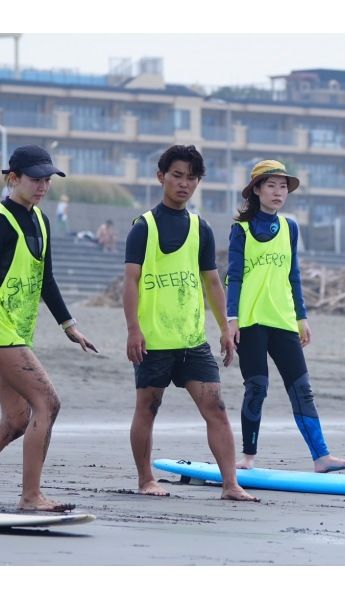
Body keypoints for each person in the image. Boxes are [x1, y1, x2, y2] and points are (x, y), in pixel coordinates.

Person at [0, 144, 97, 512]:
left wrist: (69, 326)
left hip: (17, 332)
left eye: (47, 180)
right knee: (48, 403)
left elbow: (47, 280)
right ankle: (30, 496)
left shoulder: (41, 220)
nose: (43, 186)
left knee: (14, 421)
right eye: (35, 179)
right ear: (13, 178)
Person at [122, 144, 258, 502]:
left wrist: (227, 326)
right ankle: (145, 479)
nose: (184, 184)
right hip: (153, 341)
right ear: (161, 177)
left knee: (216, 407)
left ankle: (231, 484)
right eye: (177, 176)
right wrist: (134, 330)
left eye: (191, 178)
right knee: (147, 409)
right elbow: (130, 282)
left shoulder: (201, 228)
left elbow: (212, 282)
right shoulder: (143, 228)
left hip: (192, 340)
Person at [226, 159, 345, 473]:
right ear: (256, 190)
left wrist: (302, 317)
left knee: (302, 389)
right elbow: (234, 277)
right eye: (270, 185)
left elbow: (293, 275)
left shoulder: (290, 227)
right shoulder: (240, 229)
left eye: (283, 186)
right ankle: (247, 457)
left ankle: (321, 457)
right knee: (256, 388)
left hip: (284, 320)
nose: (278, 192)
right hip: (252, 322)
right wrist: (232, 320)